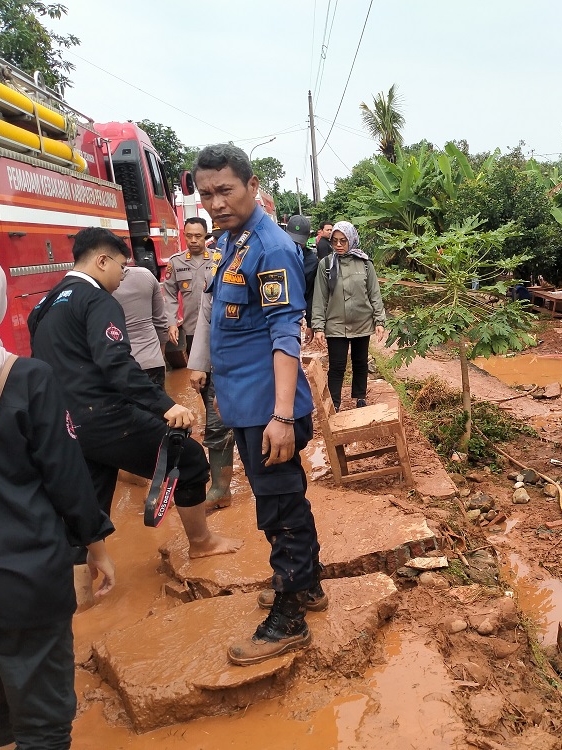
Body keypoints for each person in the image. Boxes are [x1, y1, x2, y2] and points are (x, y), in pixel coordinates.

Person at [0, 242, 116, 750]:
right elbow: (66, 475)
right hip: (25, 579)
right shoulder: (22, 376)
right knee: (42, 720)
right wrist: (96, 548)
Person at [27, 227, 241, 559]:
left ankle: (83, 586)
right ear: (101, 261)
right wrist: (165, 405)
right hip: (105, 416)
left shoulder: (44, 304)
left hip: (65, 423)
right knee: (191, 460)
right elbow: (115, 362)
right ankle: (201, 544)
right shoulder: (97, 300)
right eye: (121, 266)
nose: (123, 275)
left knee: (92, 500)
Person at [192, 144, 324, 666]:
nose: (216, 202)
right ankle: (307, 587)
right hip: (248, 405)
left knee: (279, 506)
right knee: (284, 497)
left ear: (251, 186)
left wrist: (283, 416)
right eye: (206, 194)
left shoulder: (269, 247)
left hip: (271, 409)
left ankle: (289, 618)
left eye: (225, 190)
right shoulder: (233, 241)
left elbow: (284, 333)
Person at [311, 221, 387, 411]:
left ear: (351, 240)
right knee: (337, 366)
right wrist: (319, 326)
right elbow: (320, 298)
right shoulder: (326, 264)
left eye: (343, 241)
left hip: (362, 322)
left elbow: (374, 293)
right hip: (336, 325)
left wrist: (379, 320)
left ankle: (360, 396)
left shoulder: (365, 264)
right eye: (334, 241)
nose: (338, 245)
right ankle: (334, 403)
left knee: (360, 362)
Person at [163, 217, 218, 362]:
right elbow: (169, 295)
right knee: (199, 373)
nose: (193, 240)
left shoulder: (218, 260)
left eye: (198, 236)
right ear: (184, 235)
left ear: (206, 235)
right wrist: (172, 323)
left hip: (217, 327)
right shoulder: (176, 262)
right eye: (189, 236)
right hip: (192, 329)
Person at [112, 264, 169, 389]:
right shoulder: (146, 275)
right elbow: (160, 322)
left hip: (119, 366)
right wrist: (161, 357)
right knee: (159, 407)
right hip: (152, 361)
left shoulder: (94, 286)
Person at [286, 215, 319, 345]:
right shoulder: (276, 253)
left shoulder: (311, 261)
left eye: (300, 242)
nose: (296, 245)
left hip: (294, 314)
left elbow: (311, 294)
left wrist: (310, 324)